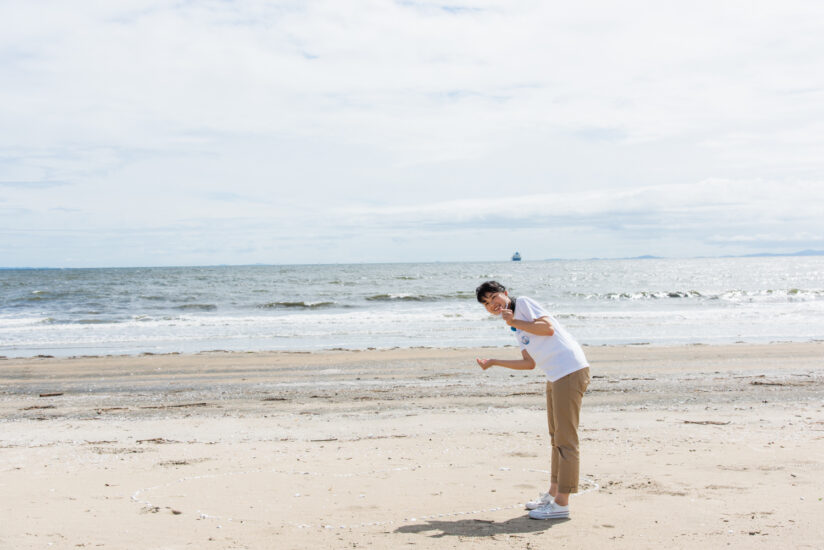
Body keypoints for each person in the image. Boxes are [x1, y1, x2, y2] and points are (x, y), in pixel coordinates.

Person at [474, 280, 590, 520]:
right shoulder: (515, 327)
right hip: (555, 375)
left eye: (493, 297)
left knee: (566, 440)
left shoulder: (523, 305)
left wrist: (514, 321)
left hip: (569, 370)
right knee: (555, 438)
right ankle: (553, 493)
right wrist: (494, 361)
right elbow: (529, 363)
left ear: (505, 294)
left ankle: (561, 504)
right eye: (486, 303)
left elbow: (547, 328)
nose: (491, 304)